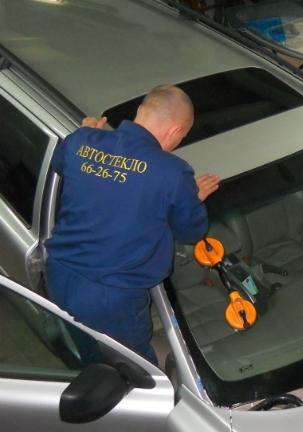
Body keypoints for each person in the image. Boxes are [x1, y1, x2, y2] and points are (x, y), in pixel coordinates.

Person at [45, 84, 220, 365]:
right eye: (183, 136)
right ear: (176, 131)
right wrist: (192, 197)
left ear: (141, 111)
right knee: (132, 368)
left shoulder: (81, 140)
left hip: (58, 275)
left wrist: (85, 135)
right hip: (111, 295)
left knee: (86, 348)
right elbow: (191, 231)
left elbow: (60, 162)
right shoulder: (172, 173)